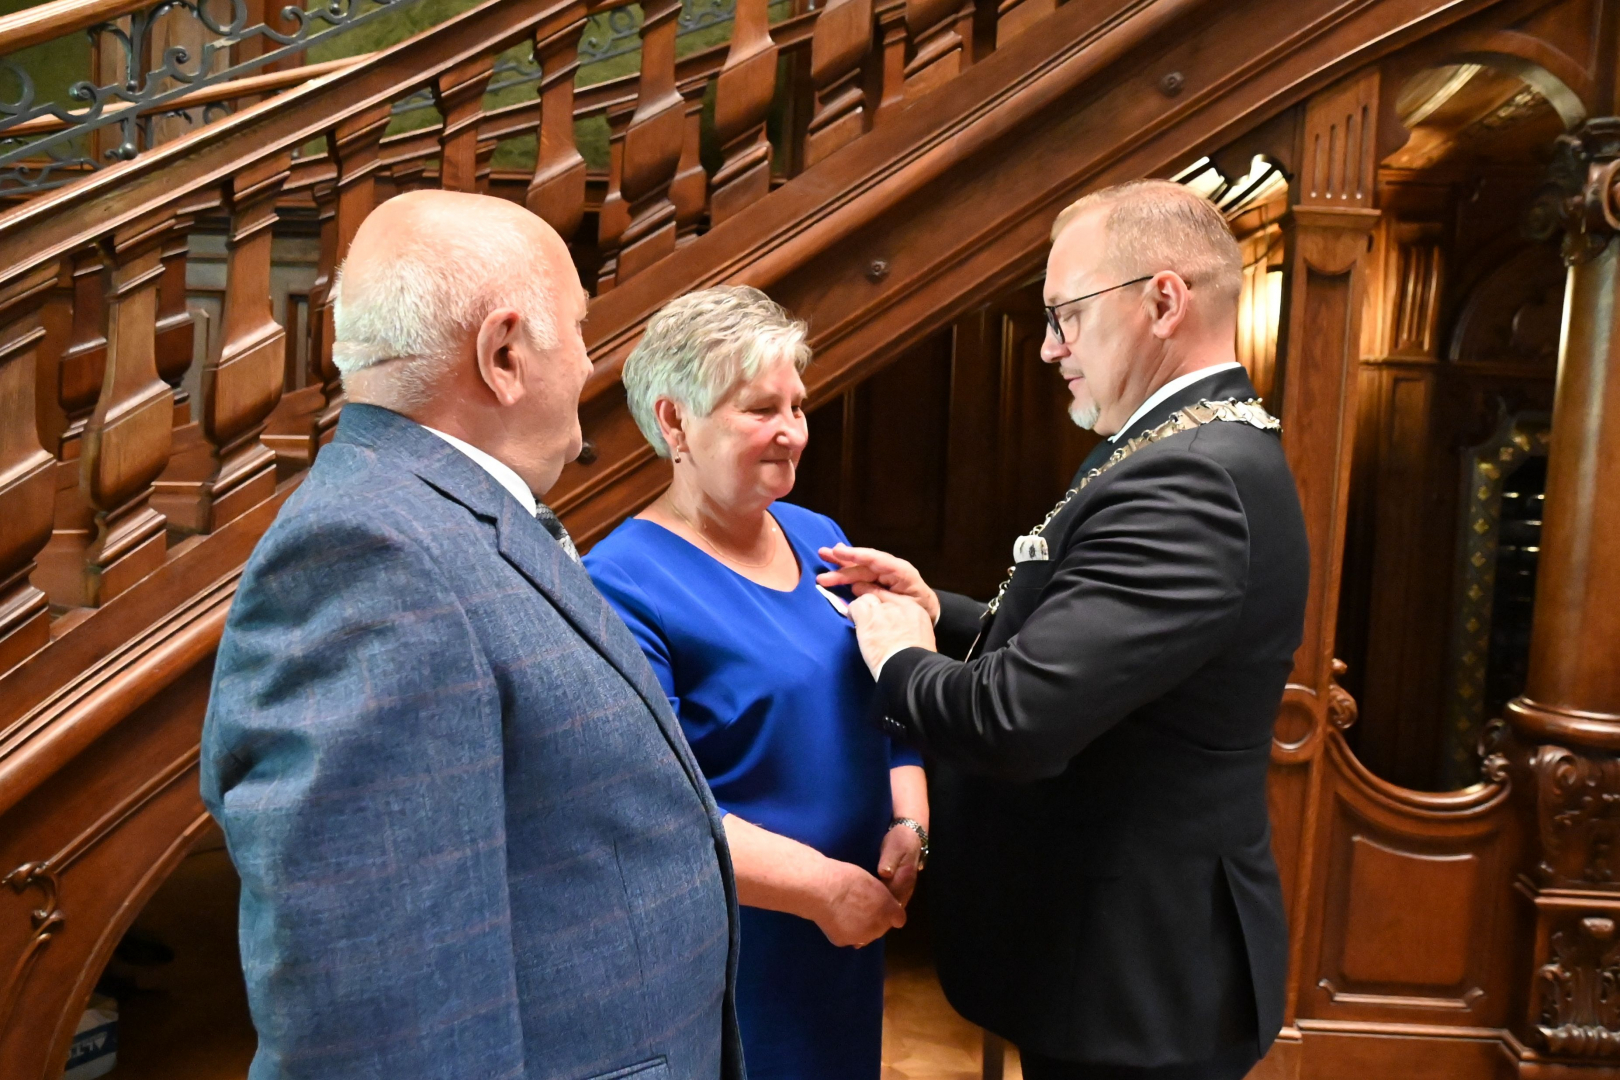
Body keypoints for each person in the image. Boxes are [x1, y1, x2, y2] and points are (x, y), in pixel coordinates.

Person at [199, 191, 742, 1080]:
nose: (591, 361)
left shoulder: (439, 517)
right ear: (503, 355)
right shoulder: (370, 557)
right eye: (578, 327)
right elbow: (381, 1019)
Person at [820, 179, 1310, 1080]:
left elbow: (1013, 722)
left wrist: (899, 657)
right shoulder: (1187, 441)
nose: (1049, 348)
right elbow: (1097, 650)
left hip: (1137, 976)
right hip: (1124, 956)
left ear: (1163, 302)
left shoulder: (1191, 479)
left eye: (1066, 316)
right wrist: (939, 610)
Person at [583, 287, 928, 1080]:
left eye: (796, 407)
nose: (792, 431)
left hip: (851, 932)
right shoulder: (620, 583)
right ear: (674, 422)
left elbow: (889, 704)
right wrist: (820, 892)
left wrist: (911, 822)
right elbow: (652, 810)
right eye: (761, 409)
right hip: (738, 949)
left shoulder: (821, 539)